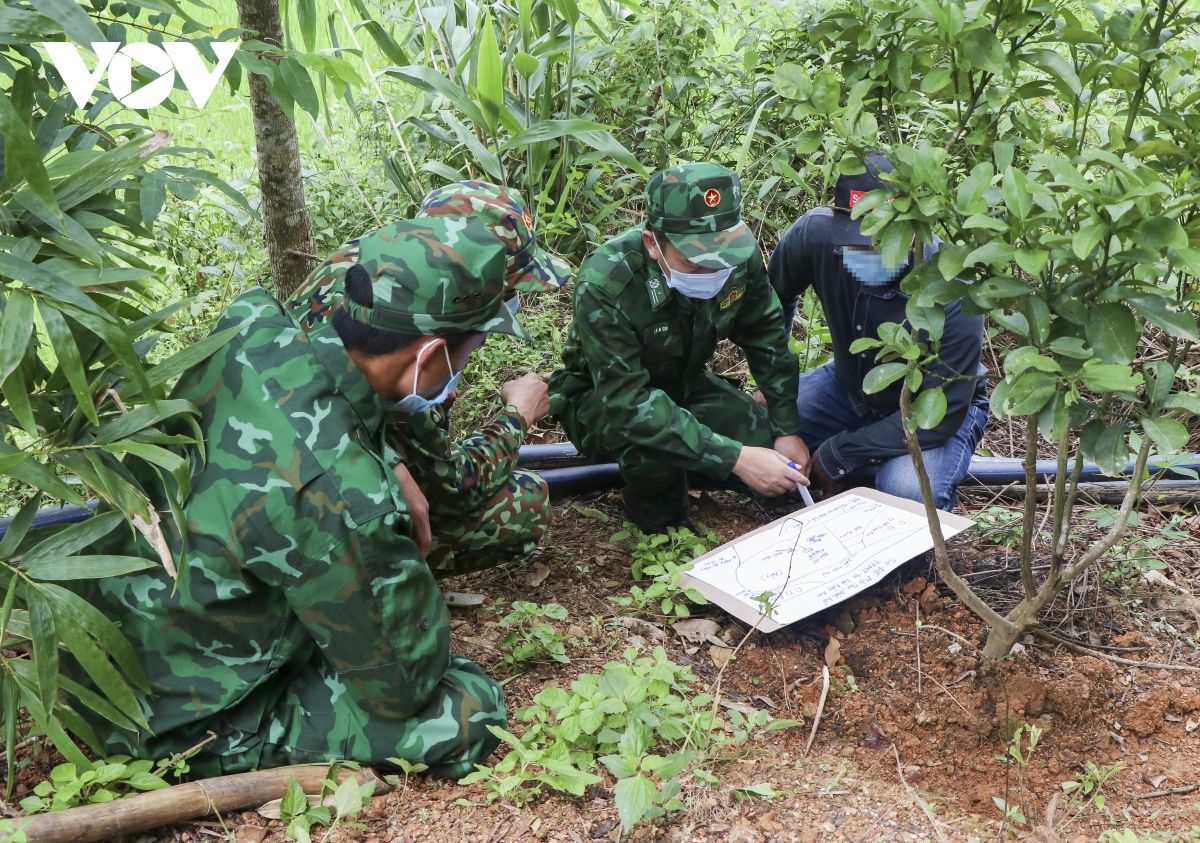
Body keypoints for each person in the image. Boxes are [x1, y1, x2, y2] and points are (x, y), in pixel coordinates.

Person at [72, 216, 532, 779]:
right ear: (431, 354)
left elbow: (319, 430)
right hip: (162, 720)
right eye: (470, 351)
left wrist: (389, 462)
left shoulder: (254, 322)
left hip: (96, 649)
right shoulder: (347, 499)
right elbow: (403, 683)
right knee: (468, 709)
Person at [289, 181, 569, 577]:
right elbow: (454, 490)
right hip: (312, 508)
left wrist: (390, 457)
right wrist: (517, 417)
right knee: (525, 503)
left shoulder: (358, 261)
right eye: (505, 283)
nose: (509, 296)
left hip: (306, 451)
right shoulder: (410, 341)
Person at [549, 162, 809, 534]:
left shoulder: (735, 253)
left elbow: (766, 335)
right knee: (657, 467)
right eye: (695, 262)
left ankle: (697, 457)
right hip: (602, 400)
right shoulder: (607, 282)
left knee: (771, 457)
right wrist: (734, 457)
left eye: (722, 259)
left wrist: (787, 428)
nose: (714, 273)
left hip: (685, 382)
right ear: (653, 243)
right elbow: (630, 405)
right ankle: (653, 507)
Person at [766, 152, 990, 511]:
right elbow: (770, 308)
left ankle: (872, 474)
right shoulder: (814, 234)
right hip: (847, 386)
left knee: (906, 492)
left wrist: (837, 454)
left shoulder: (952, 282)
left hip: (929, 407)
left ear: (914, 229)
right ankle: (858, 472)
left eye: (883, 242)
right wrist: (776, 390)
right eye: (855, 240)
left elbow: (941, 414)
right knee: (758, 431)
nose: (866, 251)